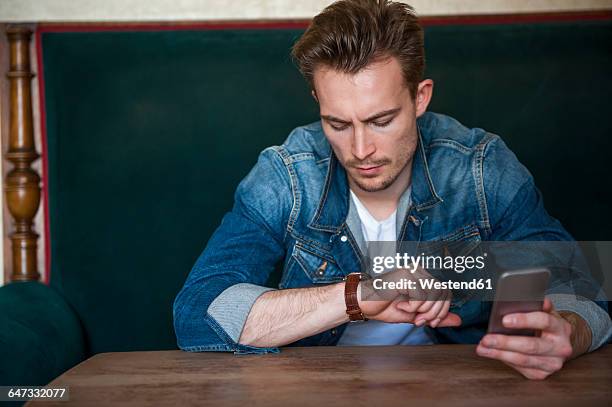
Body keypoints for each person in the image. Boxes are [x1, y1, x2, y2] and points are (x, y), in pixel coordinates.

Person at [173, 0, 611, 380]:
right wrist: (359, 293)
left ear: (420, 97)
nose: (360, 149)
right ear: (317, 101)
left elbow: (583, 289)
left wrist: (567, 333)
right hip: (318, 390)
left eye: (381, 121)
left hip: (456, 388)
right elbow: (198, 313)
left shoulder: (479, 167)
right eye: (338, 124)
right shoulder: (287, 175)